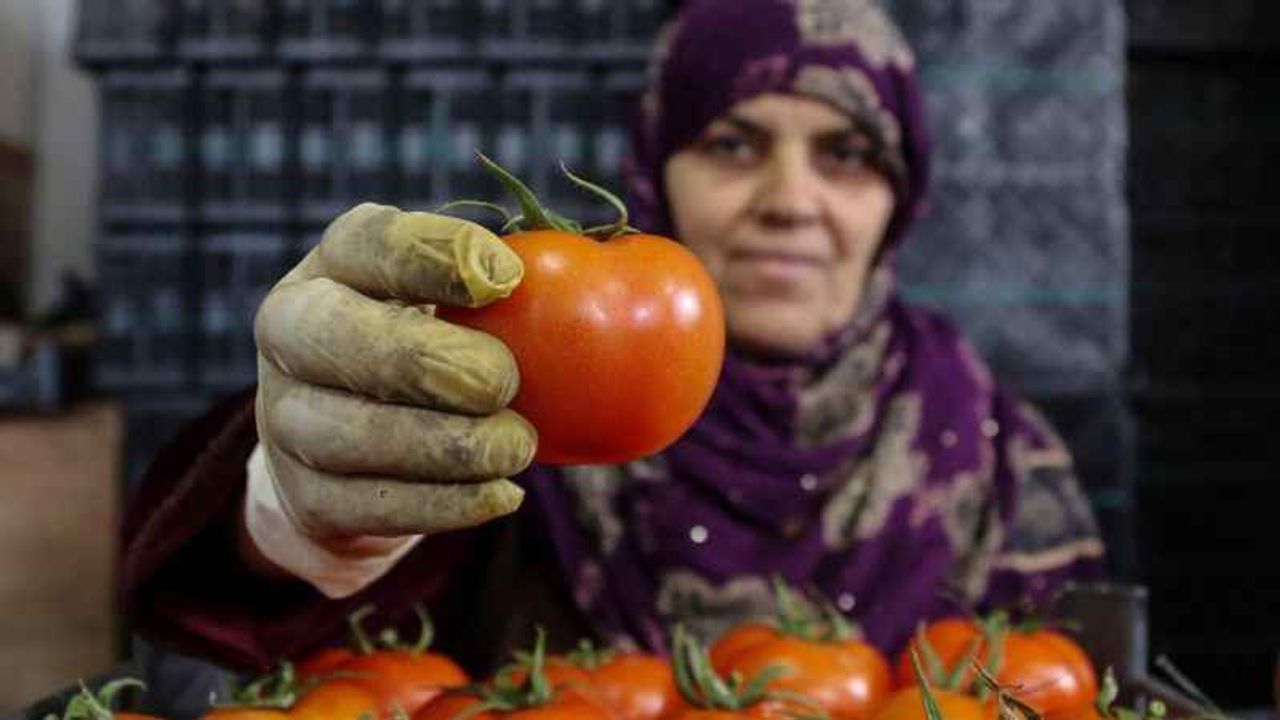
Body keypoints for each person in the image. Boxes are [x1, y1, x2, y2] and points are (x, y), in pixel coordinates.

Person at [121, 0, 1104, 675]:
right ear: (655, 168)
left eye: (846, 154)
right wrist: (298, 513)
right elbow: (251, 626)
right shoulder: (513, 397)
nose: (790, 203)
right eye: (732, 144)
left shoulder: (996, 457)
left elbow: (1059, 678)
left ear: (898, 199)